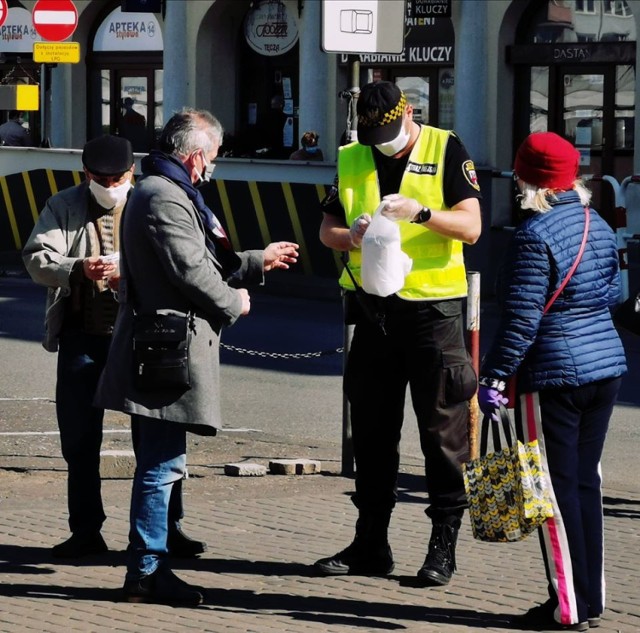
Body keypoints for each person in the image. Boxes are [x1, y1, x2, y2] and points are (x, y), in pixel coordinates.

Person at [95, 108, 299, 606]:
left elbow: (206, 258)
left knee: (162, 461)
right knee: (161, 465)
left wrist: (256, 260)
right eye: (211, 156)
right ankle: (146, 572)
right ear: (193, 156)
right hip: (164, 347)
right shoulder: (163, 195)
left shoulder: (168, 191)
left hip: (165, 342)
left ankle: (149, 566)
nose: (213, 166)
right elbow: (190, 270)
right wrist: (235, 302)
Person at [314, 80, 481, 586]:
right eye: (373, 134)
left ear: (409, 116)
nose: (382, 141)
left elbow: (472, 227)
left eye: (388, 132)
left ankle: (442, 546)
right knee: (371, 431)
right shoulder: (352, 155)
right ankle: (370, 543)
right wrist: (354, 235)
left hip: (435, 313)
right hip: (373, 311)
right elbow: (327, 232)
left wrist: (423, 213)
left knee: (441, 433)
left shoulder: (445, 146)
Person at [22, 135, 206, 560]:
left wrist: (134, 273)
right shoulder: (64, 204)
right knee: (80, 440)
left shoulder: (152, 199)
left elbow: (184, 258)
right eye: (99, 178)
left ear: (132, 173)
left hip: (145, 339)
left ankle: (167, 530)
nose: (109, 185)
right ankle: (86, 532)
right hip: (83, 338)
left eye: (117, 177)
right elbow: (36, 257)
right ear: (85, 174)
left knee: (157, 438)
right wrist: (79, 268)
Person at [477, 132, 627, 631]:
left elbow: (521, 321)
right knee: (585, 486)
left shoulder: (533, 236)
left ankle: (567, 607)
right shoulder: (598, 224)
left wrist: (494, 375)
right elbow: (610, 294)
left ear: (530, 180)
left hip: (553, 376)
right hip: (604, 368)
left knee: (553, 493)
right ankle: (590, 599)